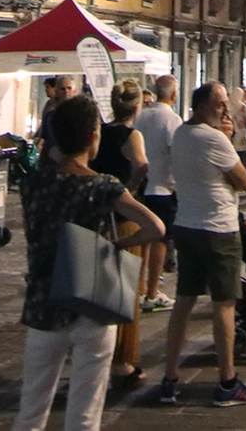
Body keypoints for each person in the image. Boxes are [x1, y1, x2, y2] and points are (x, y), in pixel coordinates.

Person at [12, 95, 164, 431]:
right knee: (84, 413)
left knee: (31, 410)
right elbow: (156, 227)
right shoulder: (102, 186)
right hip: (90, 302)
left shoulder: (33, 184)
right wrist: (117, 245)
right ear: (93, 137)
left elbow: (47, 156)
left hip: (43, 300)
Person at [160, 82, 246, 407]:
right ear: (201, 106)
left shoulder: (181, 134)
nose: (225, 110)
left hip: (187, 225)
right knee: (225, 304)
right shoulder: (214, 138)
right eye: (219, 105)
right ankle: (227, 381)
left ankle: (170, 378)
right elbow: (244, 181)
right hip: (218, 229)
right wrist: (228, 139)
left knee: (184, 303)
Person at [90, 82, 151, 387]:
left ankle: (97, 354)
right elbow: (141, 164)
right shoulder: (132, 135)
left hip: (98, 215)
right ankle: (121, 361)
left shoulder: (100, 132)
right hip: (124, 216)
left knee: (101, 288)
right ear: (137, 107)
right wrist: (131, 188)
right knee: (127, 289)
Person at [134, 75, 181, 313]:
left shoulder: (141, 115)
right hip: (163, 187)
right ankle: (152, 292)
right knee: (160, 241)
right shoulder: (172, 119)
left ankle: (141, 288)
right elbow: (178, 153)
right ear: (173, 95)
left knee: (143, 240)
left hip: (142, 186)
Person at [36, 75, 77, 162]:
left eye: (69, 88)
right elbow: (44, 140)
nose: (66, 91)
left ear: (74, 91)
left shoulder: (82, 115)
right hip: (53, 162)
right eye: (62, 89)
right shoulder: (50, 115)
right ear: (57, 92)